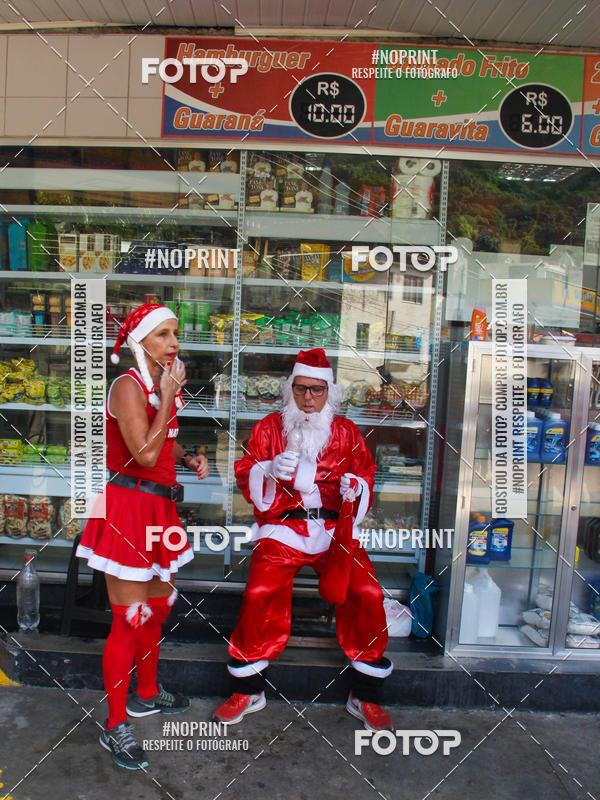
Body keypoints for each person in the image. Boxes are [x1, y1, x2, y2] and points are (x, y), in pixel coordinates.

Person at [213, 348, 393, 731]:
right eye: (300, 390)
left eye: (316, 390)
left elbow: (367, 474)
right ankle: (248, 688)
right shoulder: (267, 428)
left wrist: (355, 487)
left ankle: (365, 693)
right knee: (259, 592)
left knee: (368, 592)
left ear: (329, 392)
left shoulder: (346, 432)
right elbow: (245, 473)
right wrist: (267, 469)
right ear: (289, 390)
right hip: (283, 529)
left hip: (334, 532)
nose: (308, 399)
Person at [77, 303, 210, 770]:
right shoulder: (128, 387)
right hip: (129, 510)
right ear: (140, 341)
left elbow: (162, 452)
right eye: (163, 335)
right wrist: (171, 395)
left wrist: (190, 459)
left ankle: (147, 693)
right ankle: (115, 725)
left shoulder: (156, 387)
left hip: (159, 507)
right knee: (129, 620)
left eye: (176, 334)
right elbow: (145, 455)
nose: (174, 344)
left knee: (155, 612)